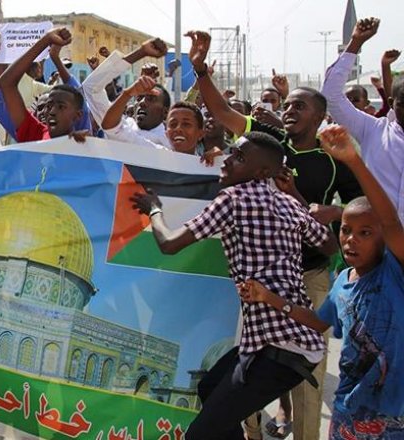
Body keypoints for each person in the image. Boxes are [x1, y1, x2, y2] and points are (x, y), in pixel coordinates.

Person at [190, 28, 362, 439]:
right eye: (286, 105)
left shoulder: (333, 159)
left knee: (302, 377)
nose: (289, 111)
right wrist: (199, 69)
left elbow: (357, 208)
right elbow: (221, 111)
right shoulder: (268, 145)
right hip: (259, 278)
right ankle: (249, 432)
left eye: (299, 106)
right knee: (242, 373)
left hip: (309, 277)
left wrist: (327, 210)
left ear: (320, 116)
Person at [131, 131, 338, 439]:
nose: (227, 161)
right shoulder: (288, 204)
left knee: (200, 434)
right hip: (282, 341)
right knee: (209, 386)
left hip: (278, 349)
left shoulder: (233, 198)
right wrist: (294, 193)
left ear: (263, 172)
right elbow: (331, 245)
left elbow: (170, 244)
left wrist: (154, 209)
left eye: (239, 158)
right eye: (232, 152)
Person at [238, 125, 404, 439]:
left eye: (365, 233)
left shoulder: (395, 272)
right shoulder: (343, 280)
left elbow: (390, 220)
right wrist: (268, 297)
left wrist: (354, 161)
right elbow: (315, 322)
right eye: (345, 230)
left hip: (393, 419)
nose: (351, 240)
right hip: (348, 415)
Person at [322, 17, 404, 223]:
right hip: (378, 244)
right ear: (392, 102)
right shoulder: (373, 130)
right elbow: (331, 95)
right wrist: (355, 44)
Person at [0, 28, 87, 143]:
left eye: (61, 107)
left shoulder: (84, 144)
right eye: (48, 106)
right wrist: (46, 39)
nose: (52, 112)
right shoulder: (36, 134)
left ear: (77, 115)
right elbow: (6, 83)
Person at [80, 35, 169, 145]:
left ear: (165, 112)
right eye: (139, 97)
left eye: (151, 99)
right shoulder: (120, 124)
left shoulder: (170, 145)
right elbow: (91, 87)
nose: (142, 103)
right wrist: (141, 52)